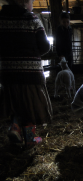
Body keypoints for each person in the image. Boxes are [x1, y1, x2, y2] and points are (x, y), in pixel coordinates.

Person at [0, 0, 52, 149]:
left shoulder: (1, 19)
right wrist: (32, 54)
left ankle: (15, 127)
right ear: (24, 2)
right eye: (31, 2)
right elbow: (45, 46)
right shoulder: (31, 18)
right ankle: (30, 140)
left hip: (8, 72)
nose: (33, 5)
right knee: (30, 105)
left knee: (14, 102)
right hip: (31, 72)